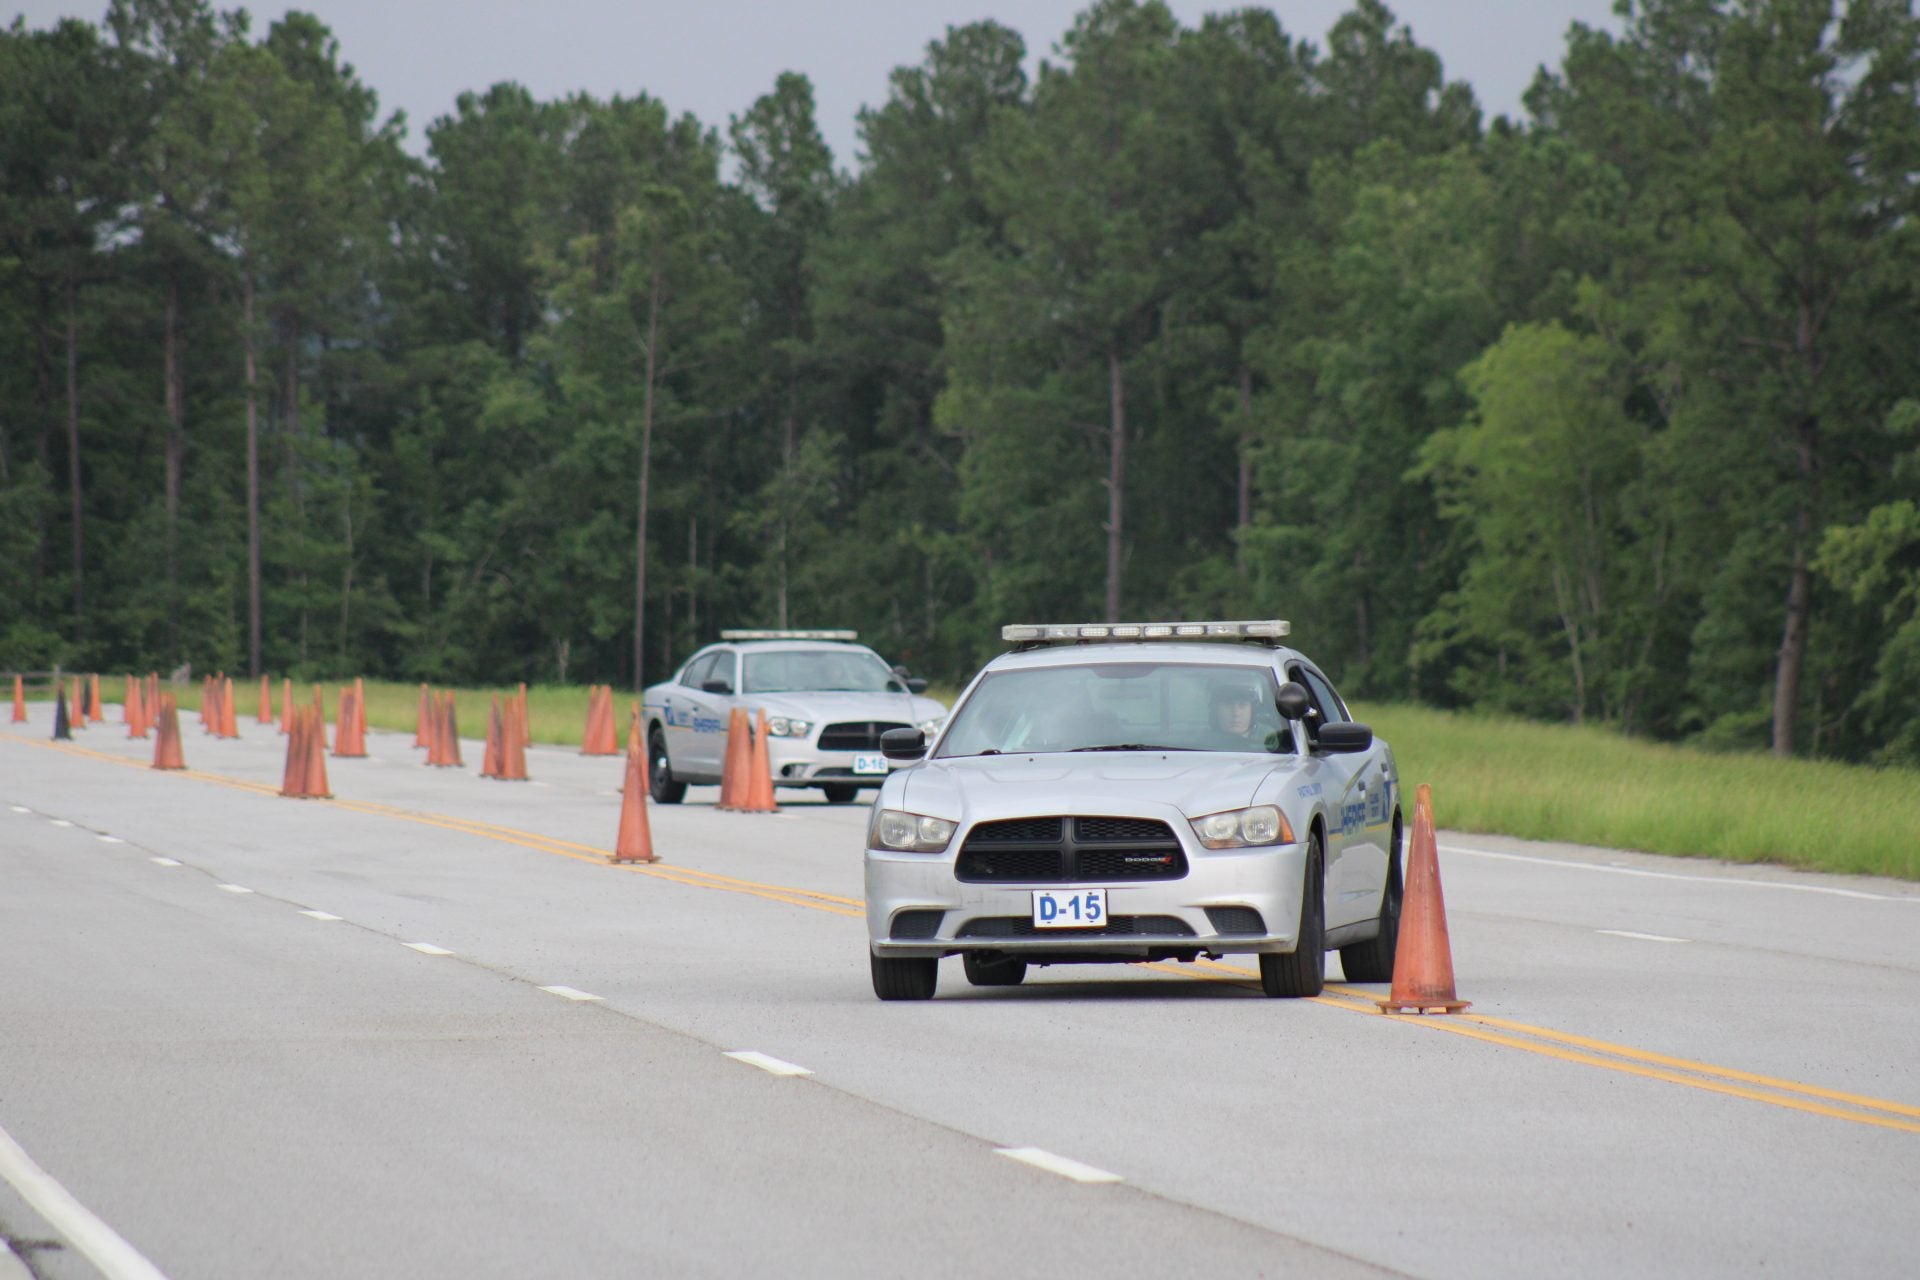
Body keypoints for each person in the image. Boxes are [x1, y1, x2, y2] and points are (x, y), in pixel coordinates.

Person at [1209, 682, 1284, 752]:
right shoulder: (1204, 741)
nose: (1236, 713)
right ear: (1216, 711)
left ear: (1253, 711)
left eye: (1242, 706)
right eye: (1229, 705)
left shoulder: (1269, 738)